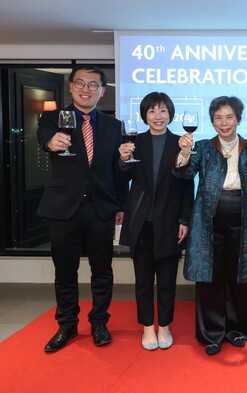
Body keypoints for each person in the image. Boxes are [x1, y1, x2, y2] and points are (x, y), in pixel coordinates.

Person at [37, 65, 128, 352]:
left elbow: (118, 171)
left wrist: (121, 205)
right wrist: (52, 142)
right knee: (65, 270)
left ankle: (99, 322)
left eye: (93, 85)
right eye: (81, 84)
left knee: (102, 269)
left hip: (100, 208)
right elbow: (46, 140)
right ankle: (67, 324)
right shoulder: (52, 118)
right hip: (63, 208)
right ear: (71, 87)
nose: (87, 89)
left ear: (102, 91)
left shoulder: (114, 126)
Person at [175, 96, 247, 356]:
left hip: (243, 219)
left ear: (238, 119)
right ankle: (211, 334)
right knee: (209, 277)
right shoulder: (202, 148)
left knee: (239, 276)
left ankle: (236, 330)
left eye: (229, 117)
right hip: (208, 220)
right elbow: (183, 173)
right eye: (218, 118)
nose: (224, 123)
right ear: (212, 121)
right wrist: (182, 153)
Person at [118, 92, 194, 351]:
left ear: (170, 114)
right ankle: (147, 328)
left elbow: (186, 184)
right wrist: (123, 159)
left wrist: (185, 218)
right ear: (144, 115)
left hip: (170, 221)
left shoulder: (179, 143)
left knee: (167, 280)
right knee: (142, 280)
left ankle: (164, 327)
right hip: (141, 222)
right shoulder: (134, 142)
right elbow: (121, 175)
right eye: (152, 112)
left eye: (162, 111)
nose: (158, 116)